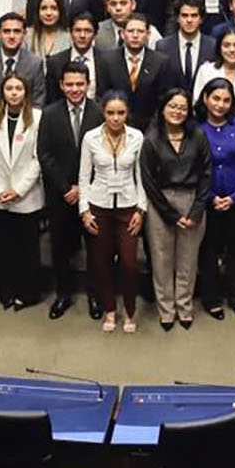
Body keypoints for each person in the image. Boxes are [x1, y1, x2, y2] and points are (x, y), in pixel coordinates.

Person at [141, 88, 213, 330]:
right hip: (161, 203)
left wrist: (195, 211)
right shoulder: (151, 139)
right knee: (161, 259)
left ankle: (184, 306)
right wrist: (171, 215)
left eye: (182, 108)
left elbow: (206, 174)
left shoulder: (198, 136)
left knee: (188, 260)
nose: (177, 112)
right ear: (162, 108)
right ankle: (166, 309)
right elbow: (148, 181)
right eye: (172, 106)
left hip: (192, 200)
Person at [39, 62, 103, 320]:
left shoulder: (100, 112)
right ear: (61, 85)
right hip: (60, 194)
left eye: (80, 84)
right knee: (60, 248)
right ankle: (63, 294)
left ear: (88, 85)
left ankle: (95, 295)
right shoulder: (50, 113)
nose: (75, 89)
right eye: (70, 84)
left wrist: (83, 188)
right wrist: (67, 188)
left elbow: (106, 154)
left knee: (95, 249)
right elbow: (44, 154)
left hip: (93, 193)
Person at [79, 92, 147, 333]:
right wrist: (84, 211)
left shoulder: (137, 137)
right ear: (103, 113)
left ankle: (129, 310)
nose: (116, 118)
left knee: (129, 263)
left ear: (127, 113)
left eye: (121, 113)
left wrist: (141, 209)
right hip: (99, 207)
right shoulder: (91, 138)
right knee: (102, 262)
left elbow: (142, 177)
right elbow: (84, 177)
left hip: (129, 207)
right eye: (110, 113)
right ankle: (109, 309)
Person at [0, 72, 45, 311]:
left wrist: (18, 190)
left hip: (27, 194)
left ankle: (28, 294)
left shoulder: (37, 117)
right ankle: (6, 293)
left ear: (26, 92)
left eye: (19, 88)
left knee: (27, 248)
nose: (14, 92)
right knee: (3, 248)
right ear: (3, 92)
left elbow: (38, 159)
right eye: (9, 88)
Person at [196, 77, 235, 319]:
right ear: (205, 99)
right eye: (216, 99)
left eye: (226, 100)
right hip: (207, 200)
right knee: (209, 250)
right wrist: (211, 197)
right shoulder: (197, 128)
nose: (220, 105)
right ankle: (211, 298)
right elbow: (194, 168)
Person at [96, 13, 174, 129]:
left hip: (151, 128)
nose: (135, 35)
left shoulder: (161, 62)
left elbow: (163, 99)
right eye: (131, 31)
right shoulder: (107, 60)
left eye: (140, 31)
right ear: (122, 34)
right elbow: (102, 96)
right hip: (115, 125)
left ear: (148, 34)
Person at [0, 11, 47, 109]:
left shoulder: (35, 63)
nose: (11, 36)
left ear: (24, 34)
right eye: (7, 31)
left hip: (26, 121)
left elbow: (38, 102)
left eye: (17, 31)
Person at [158, 0, 218, 94]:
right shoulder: (163, 46)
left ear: (201, 19)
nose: (189, 20)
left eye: (194, 15)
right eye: (184, 15)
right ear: (177, 18)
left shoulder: (213, 46)